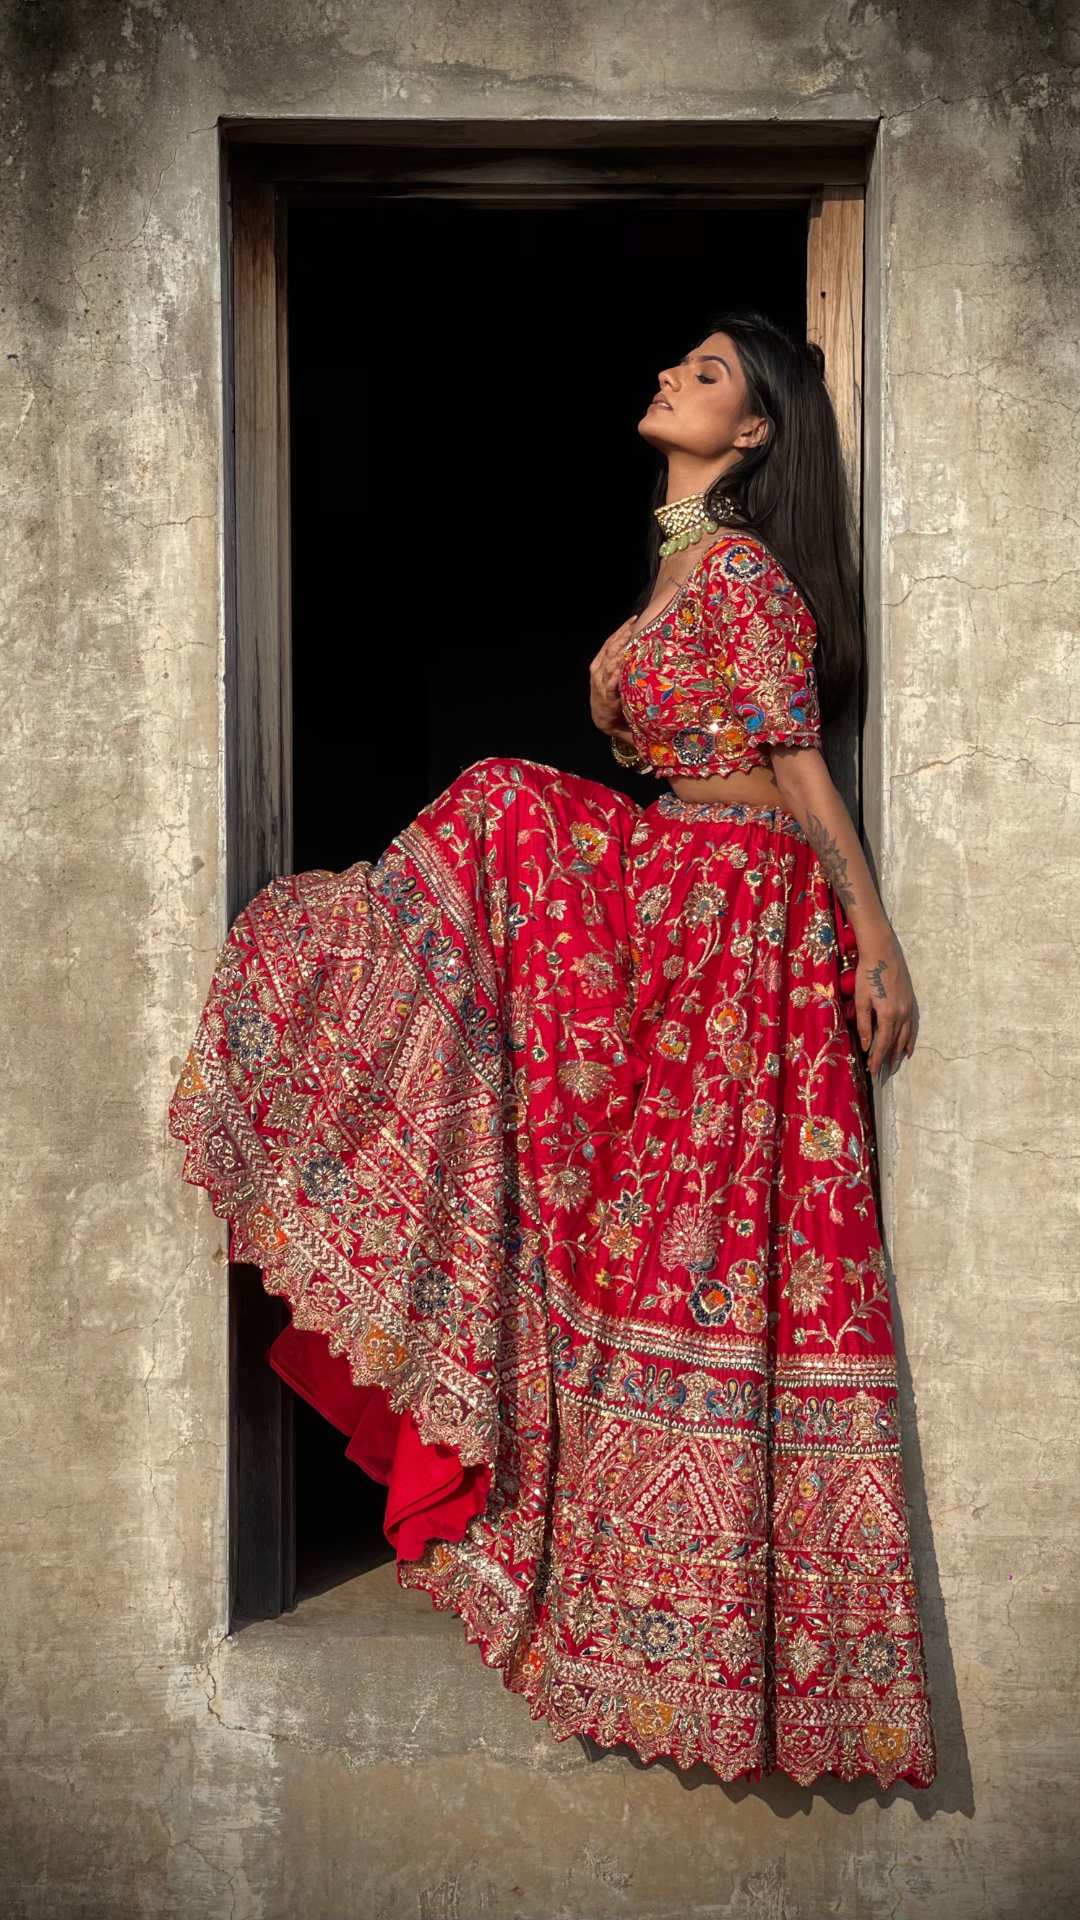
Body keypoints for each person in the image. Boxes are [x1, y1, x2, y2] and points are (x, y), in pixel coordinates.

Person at [171, 311, 935, 1787]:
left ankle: (724, 1614)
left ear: (758, 433)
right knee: (610, 1208)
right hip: (678, 894)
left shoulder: (748, 573)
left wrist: (871, 924)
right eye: (682, 364)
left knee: (502, 802)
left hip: (736, 910)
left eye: (705, 373)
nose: (671, 375)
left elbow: (791, 754)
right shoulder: (683, 564)